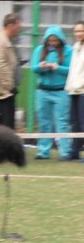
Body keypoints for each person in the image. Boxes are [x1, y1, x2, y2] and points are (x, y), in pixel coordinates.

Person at [30, 25, 73, 160]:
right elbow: (33, 68)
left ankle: (65, 152)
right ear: (46, 39)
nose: (52, 43)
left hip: (61, 92)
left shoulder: (68, 51)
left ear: (61, 39)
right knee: (44, 122)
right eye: (50, 40)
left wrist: (57, 68)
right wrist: (41, 67)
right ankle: (43, 151)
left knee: (62, 121)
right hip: (42, 91)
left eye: (55, 40)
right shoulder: (39, 50)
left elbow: (71, 70)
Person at [65, 21, 84, 161]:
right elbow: (73, 70)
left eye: (81, 31)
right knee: (75, 122)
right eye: (76, 31)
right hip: (74, 90)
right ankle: (74, 152)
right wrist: (70, 86)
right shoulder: (75, 47)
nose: (78, 34)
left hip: (82, 90)